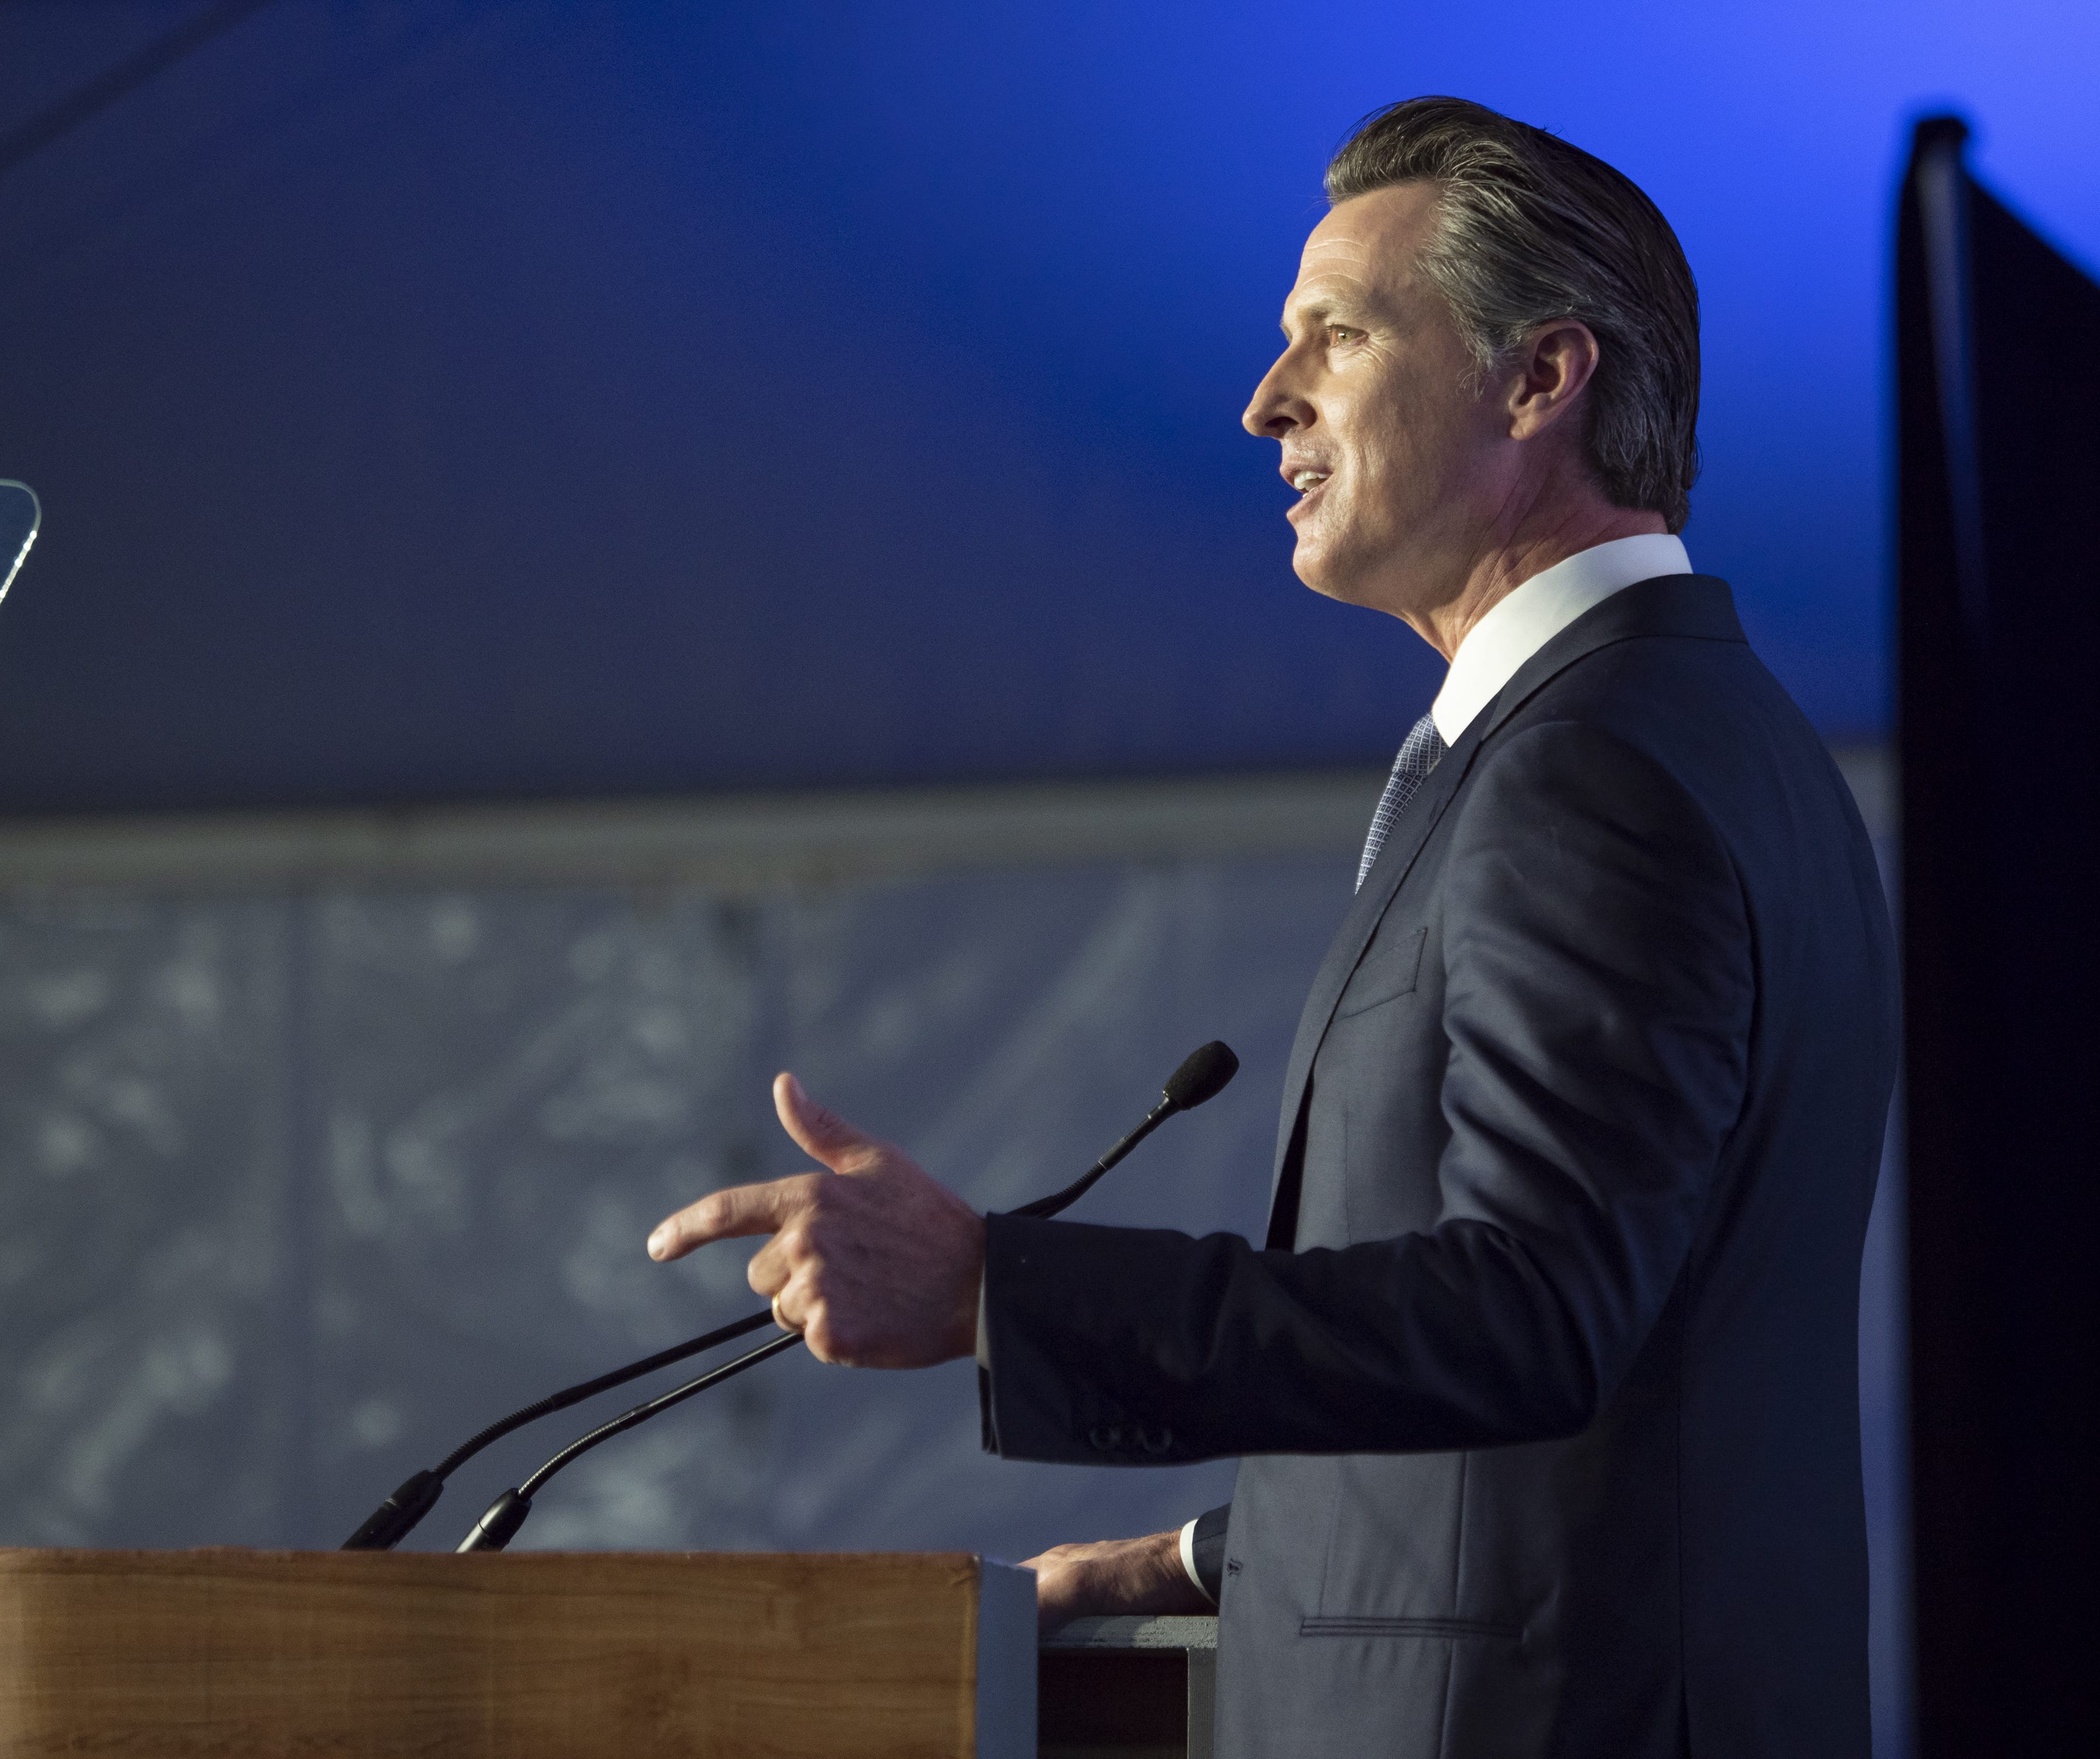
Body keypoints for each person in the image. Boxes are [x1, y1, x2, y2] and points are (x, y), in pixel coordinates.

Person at [646, 97, 1897, 1758]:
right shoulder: (1708, 736)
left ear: (1541, 380)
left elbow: (1535, 1311)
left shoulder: (1593, 774)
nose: (1264, 404)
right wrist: (1193, 1557)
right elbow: (1639, 1385)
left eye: (1338, 337)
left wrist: (993, 1288)